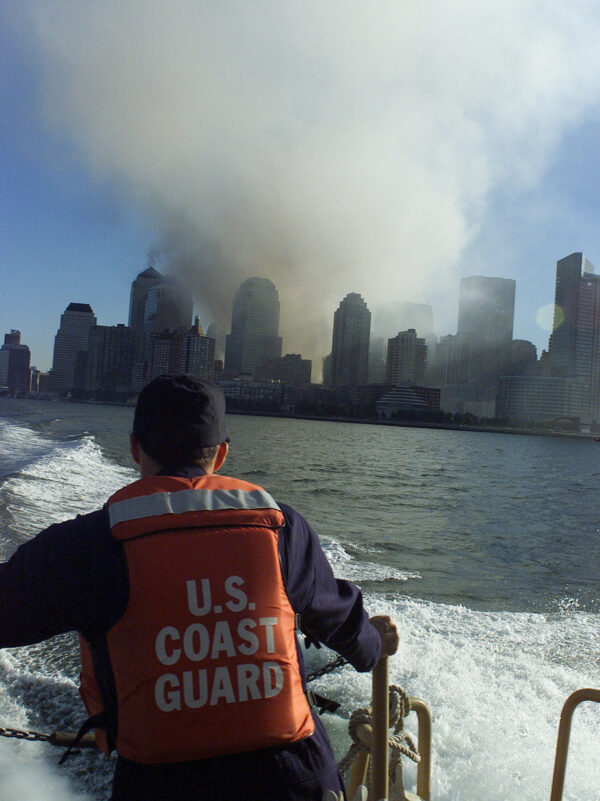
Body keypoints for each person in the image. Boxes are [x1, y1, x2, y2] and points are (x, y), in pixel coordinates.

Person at [0, 375, 399, 801]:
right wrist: (374, 643)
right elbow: (346, 627)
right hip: (292, 780)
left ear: (135, 448)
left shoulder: (88, 546)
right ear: (222, 454)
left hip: (159, 785)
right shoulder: (282, 529)